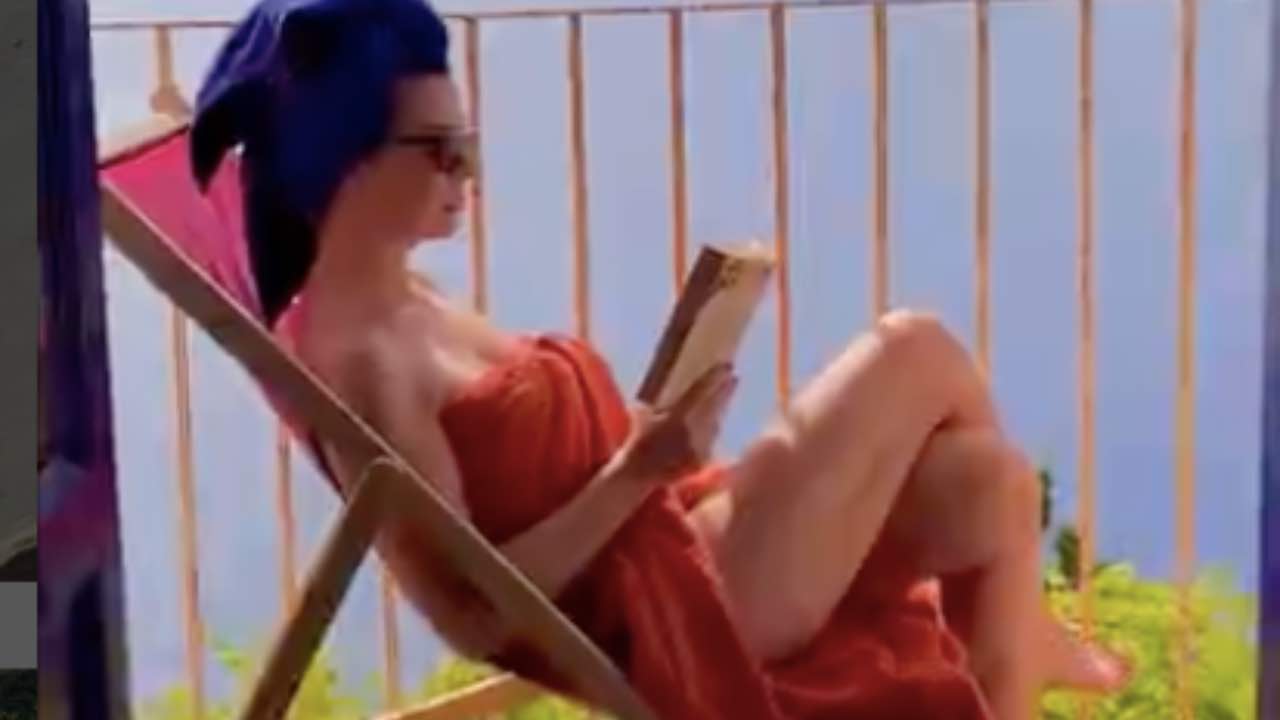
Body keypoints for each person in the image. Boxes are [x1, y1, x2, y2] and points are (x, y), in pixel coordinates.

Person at [190, 1, 1130, 717]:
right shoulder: (361, 364)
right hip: (670, 606)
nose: (466, 170)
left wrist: (650, 446)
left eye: (466, 143)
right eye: (438, 149)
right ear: (341, 156)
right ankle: (1031, 636)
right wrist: (635, 470)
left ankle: (1019, 660)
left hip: (678, 530)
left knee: (988, 487)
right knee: (913, 346)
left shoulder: (405, 294)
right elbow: (475, 615)